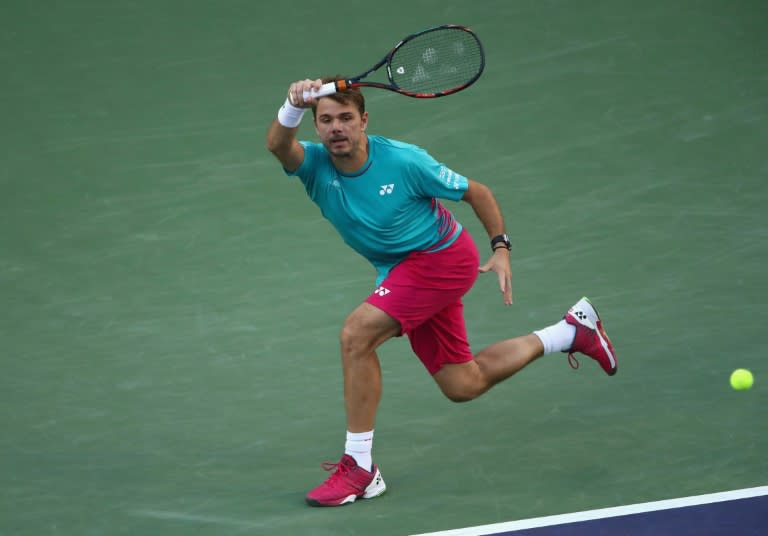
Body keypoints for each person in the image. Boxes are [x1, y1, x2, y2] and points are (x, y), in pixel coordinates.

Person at [265, 77, 617, 507]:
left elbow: (477, 192)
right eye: (325, 120)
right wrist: (291, 103)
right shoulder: (314, 163)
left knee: (357, 336)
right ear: (315, 127)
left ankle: (360, 468)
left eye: (345, 118)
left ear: (363, 121)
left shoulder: (404, 161)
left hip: (441, 260)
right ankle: (570, 332)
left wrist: (501, 248)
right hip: (399, 271)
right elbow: (279, 145)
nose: (336, 127)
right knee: (462, 383)